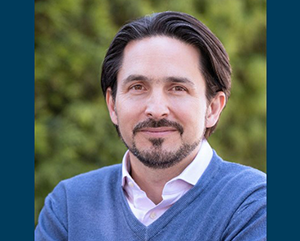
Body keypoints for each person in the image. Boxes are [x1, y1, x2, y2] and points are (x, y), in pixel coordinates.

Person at [35, 11, 266, 241]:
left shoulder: (254, 204)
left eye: (178, 88)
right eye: (137, 87)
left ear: (213, 108)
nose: (156, 109)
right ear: (113, 105)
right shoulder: (68, 205)